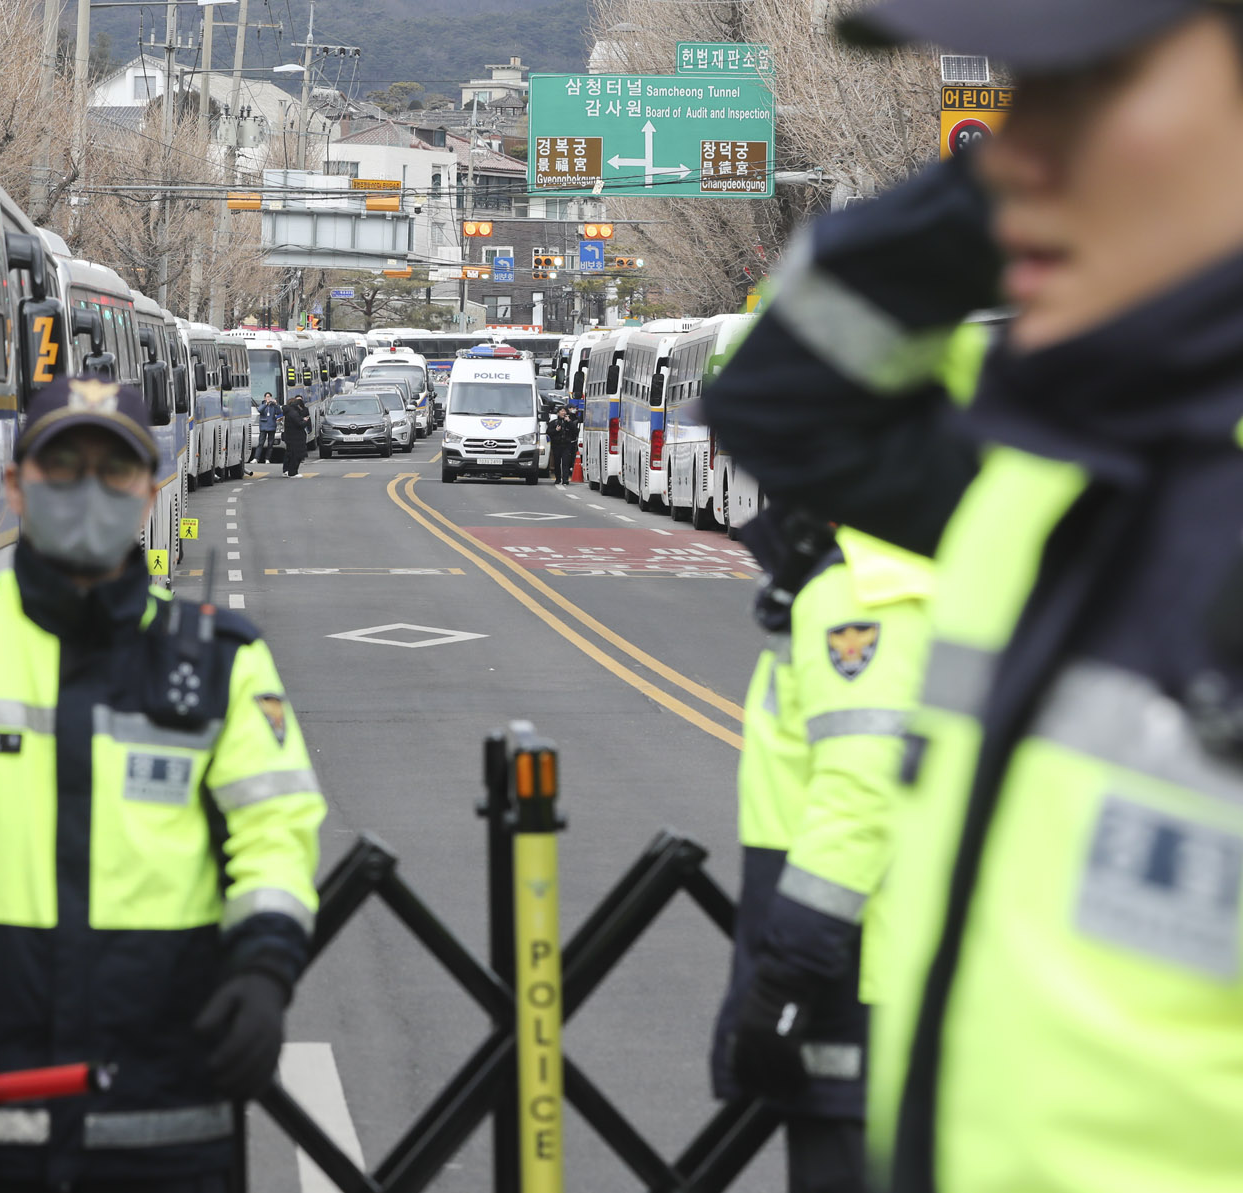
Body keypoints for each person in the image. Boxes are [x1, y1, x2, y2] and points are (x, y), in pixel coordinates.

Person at [705, 4, 1243, 1190]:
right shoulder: (1046, 485)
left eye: (1089, 88)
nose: (1014, 151)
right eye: (1015, 98)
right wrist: (1020, 189)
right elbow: (778, 397)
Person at [0, 375, 327, 1193]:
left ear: (150, 491)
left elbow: (276, 834)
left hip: (164, 1124)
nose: (89, 490)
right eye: (63, 467)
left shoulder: (223, 662)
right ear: (15, 486)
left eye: (114, 471)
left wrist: (264, 971)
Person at [714, 505, 932, 1193]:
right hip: (886, 971)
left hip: (853, 978)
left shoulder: (863, 589)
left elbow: (861, 793)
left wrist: (784, 978)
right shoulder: (899, 564)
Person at [548, 403, 579, 486]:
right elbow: (549, 432)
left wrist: (569, 422)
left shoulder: (569, 422)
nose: (563, 413)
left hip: (566, 445)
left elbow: (576, 431)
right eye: (561, 411)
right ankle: (558, 479)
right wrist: (556, 430)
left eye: (564, 411)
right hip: (556, 445)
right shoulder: (554, 422)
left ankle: (565, 479)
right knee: (557, 462)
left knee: (566, 462)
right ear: (558, 413)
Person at [281, 392, 309, 477]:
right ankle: (292, 472)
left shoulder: (288, 412)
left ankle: (287, 471)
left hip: (290, 436)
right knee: (295, 455)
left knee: (289, 455)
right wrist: (305, 421)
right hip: (295, 438)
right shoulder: (293, 413)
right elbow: (299, 424)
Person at [255, 393, 279, 465]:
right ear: (265, 398)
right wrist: (266, 404)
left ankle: (267, 459)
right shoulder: (263, 404)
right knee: (260, 443)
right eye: (267, 397)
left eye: (269, 397)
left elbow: (279, 412)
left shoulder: (274, 406)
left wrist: (276, 404)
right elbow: (259, 410)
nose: (268, 398)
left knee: (270, 444)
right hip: (263, 427)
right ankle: (256, 458)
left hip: (272, 426)